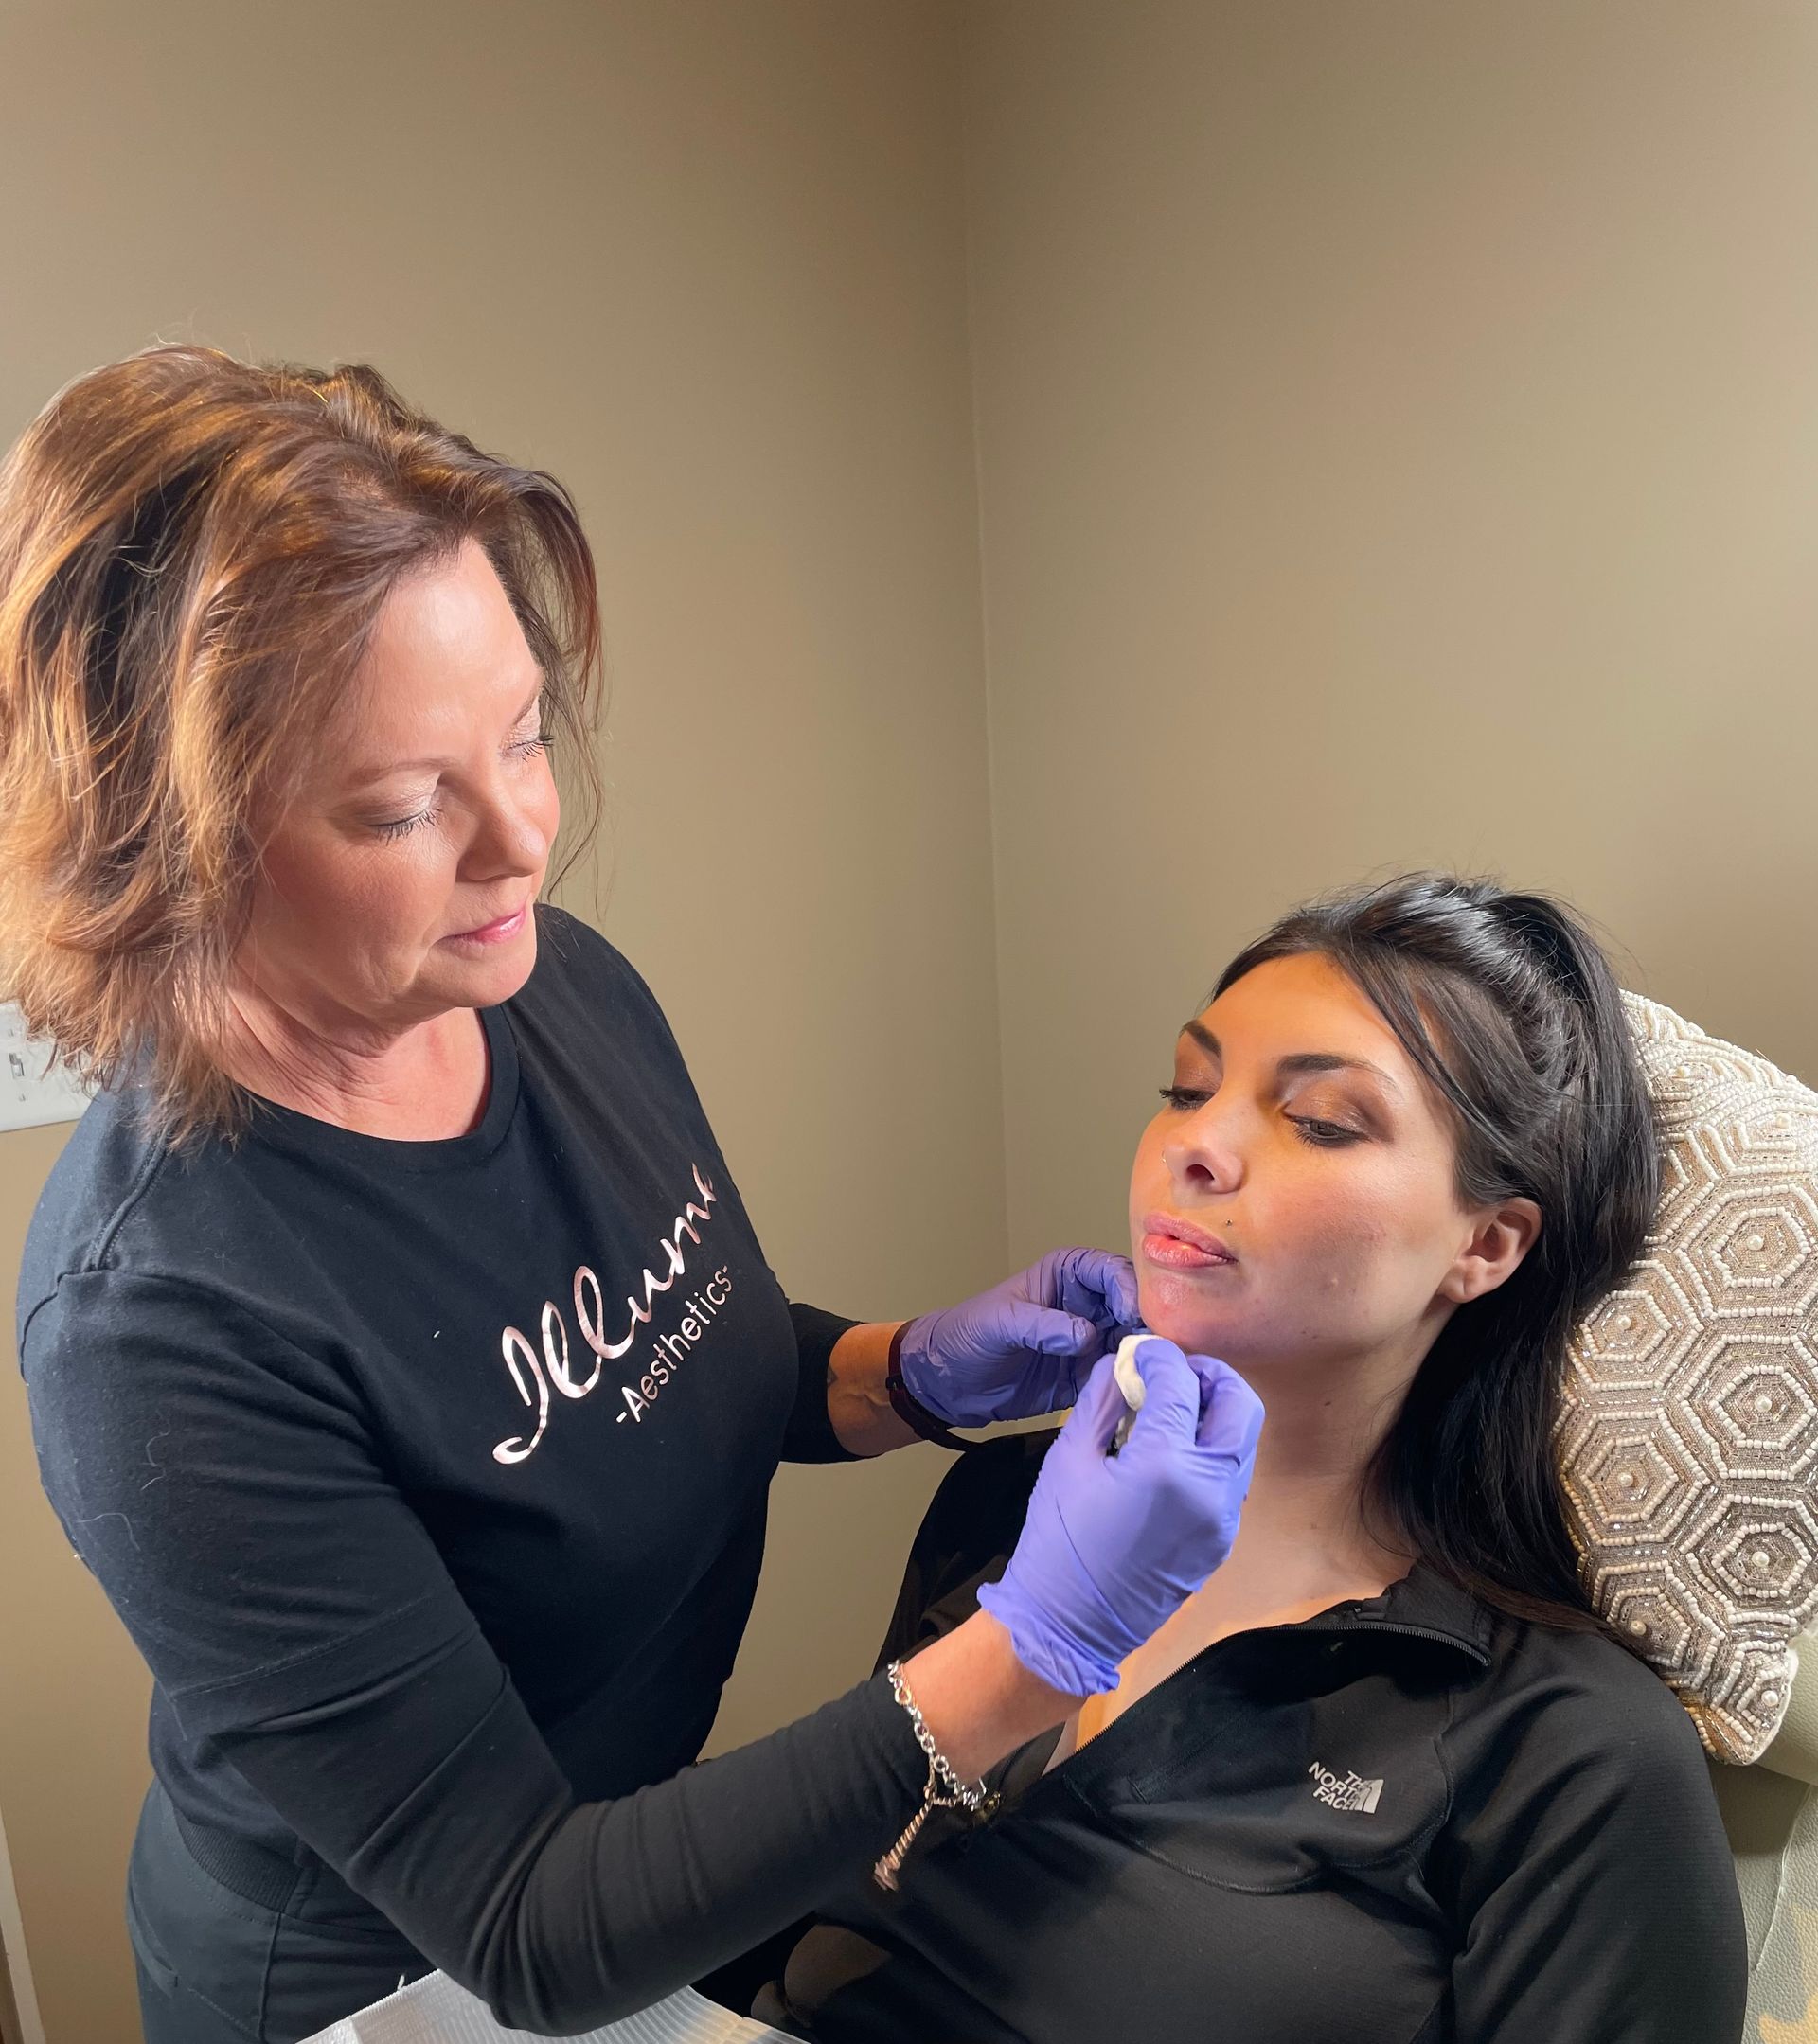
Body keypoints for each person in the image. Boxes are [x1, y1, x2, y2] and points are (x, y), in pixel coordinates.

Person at [0, 347, 1262, 2044]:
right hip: (393, 1988)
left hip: (634, 1890)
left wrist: (887, 1372)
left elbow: (648, 1365)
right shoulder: (154, 1322)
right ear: (168, 850)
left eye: (522, 734)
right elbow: (528, 1924)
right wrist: (1041, 1639)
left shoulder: (547, 981)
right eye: (399, 805)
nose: (525, 836)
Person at [763, 876, 1750, 2043]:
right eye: (1187, 1087)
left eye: (1324, 1119)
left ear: (1484, 1244)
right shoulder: (1005, 1498)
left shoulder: (1570, 1754)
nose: (1198, 1142)